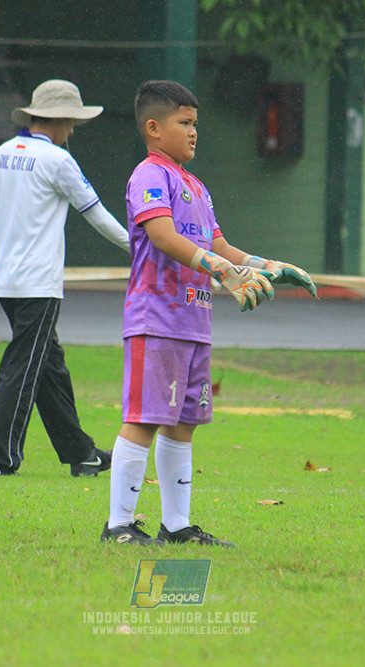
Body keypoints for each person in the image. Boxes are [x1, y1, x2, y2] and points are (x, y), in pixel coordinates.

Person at [101, 80, 317, 546]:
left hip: (194, 323)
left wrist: (269, 266)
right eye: (185, 123)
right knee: (144, 417)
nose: (194, 132)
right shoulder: (149, 175)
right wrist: (222, 269)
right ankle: (118, 525)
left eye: (196, 124)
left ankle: (176, 528)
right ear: (154, 128)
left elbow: (217, 245)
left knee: (183, 424)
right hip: (155, 320)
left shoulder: (196, 185)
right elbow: (162, 235)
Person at [0, 79, 131, 478]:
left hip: (7, 280)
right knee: (23, 368)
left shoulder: (3, 153)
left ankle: (81, 453)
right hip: (40, 283)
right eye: (71, 122)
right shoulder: (58, 161)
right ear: (58, 121)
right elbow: (97, 215)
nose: (72, 131)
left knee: (48, 367)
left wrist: (9, 250)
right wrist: (142, 246)